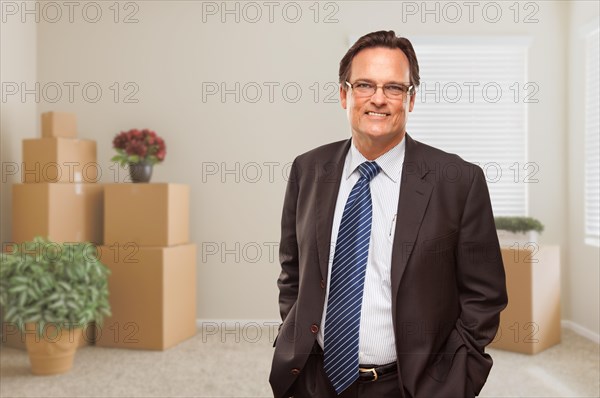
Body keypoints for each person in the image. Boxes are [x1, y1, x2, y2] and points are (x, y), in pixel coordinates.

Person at [269, 30, 508, 398]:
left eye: (394, 88)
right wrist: (296, 331)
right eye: (365, 84)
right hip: (314, 380)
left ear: (410, 100)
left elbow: (484, 295)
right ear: (344, 94)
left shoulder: (459, 181)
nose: (378, 99)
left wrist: (454, 378)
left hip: (409, 386)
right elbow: (293, 270)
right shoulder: (309, 169)